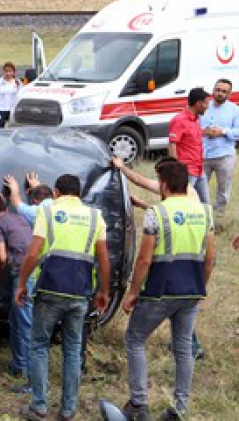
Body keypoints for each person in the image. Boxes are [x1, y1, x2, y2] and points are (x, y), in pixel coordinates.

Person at [121, 161, 215, 421]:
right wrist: (200, 286)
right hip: (192, 291)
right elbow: (210, 258)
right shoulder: (205, 212)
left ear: (163, 184)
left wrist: (132, 292)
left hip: (160, 291)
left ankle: (139, 405)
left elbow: (144, 260)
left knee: (135, 339)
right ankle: (180, 409)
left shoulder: (156, 213)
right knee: (183, 348)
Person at [15, 174, 110, 421]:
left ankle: (39, 406)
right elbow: (103, 259)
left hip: (50, 290)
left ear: (56, 193)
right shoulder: (95, 216)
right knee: (72, 349)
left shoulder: (47, 213)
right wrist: (104, 291)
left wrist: (22, 284)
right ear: (79, 194)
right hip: (80, 293)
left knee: (38, 346)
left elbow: (33, 253)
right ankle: (68, 410)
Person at [0, 194, 33, 381]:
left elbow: (1, 257)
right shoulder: (20, 218)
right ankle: (19, 364)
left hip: (23, 275)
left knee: (24, 321)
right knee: (17, 319)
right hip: (34, 271)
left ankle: (27, 371)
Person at [200, 79, 239, 215]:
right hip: (203, 155)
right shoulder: (204, 107)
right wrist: (204, 131)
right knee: (199, 187)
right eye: (218, 90)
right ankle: (202, 215)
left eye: (224, 91)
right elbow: (193, 125)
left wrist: (223, 131)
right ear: (213, 90)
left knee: (223, 190)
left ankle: (218, 216)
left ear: (229, 94)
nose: (220, 93)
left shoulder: (234, 110)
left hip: (225, 156)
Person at [168, 87, 211, 204]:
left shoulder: (196, 120)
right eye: (206, 103)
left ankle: (209, 222)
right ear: (198, 103)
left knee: (206, 204)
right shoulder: (179, 120)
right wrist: (176, 170)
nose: (208, 107)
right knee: (183, 202)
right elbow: (173, 144)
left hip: (199, 169)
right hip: (186, 171)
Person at [111, 156, 199, 210]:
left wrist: (121, 167)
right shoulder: (181, 187)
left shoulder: (175, 190)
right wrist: (141, 204)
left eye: (159, 177)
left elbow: (139, 180)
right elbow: (166, 215)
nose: (158, 181)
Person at [0, 62, 21, 128]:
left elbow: (20, 95)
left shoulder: (17, 82)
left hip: (13, 110)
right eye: (6, 71)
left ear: (14, 72)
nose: (8, 73)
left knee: (13, 128)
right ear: (3, 72)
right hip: (1, 109)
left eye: (10, 71)